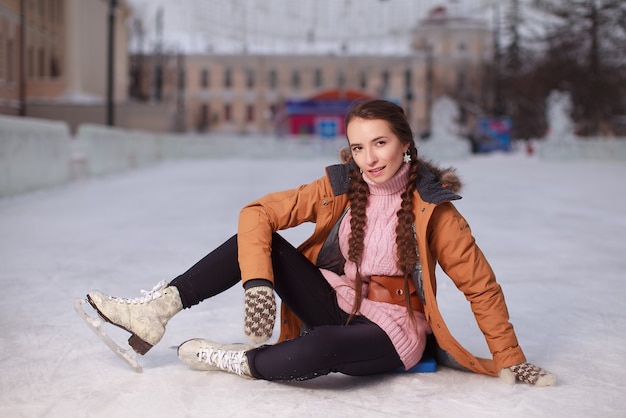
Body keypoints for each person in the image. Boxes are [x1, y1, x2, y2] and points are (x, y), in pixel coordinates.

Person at [85, 99, 555, 386]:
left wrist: (511, 360)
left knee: (323, 348)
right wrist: (258, 285)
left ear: (405, 143)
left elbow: (481, 286)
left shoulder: (436, 210)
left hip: (393, 328)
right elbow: (258, 213)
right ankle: (157, 312)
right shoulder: (340, 187)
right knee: (256, 239)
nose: (368, 159)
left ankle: (237, 359)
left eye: (379, 144)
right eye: (357, 147)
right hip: (336, 299)